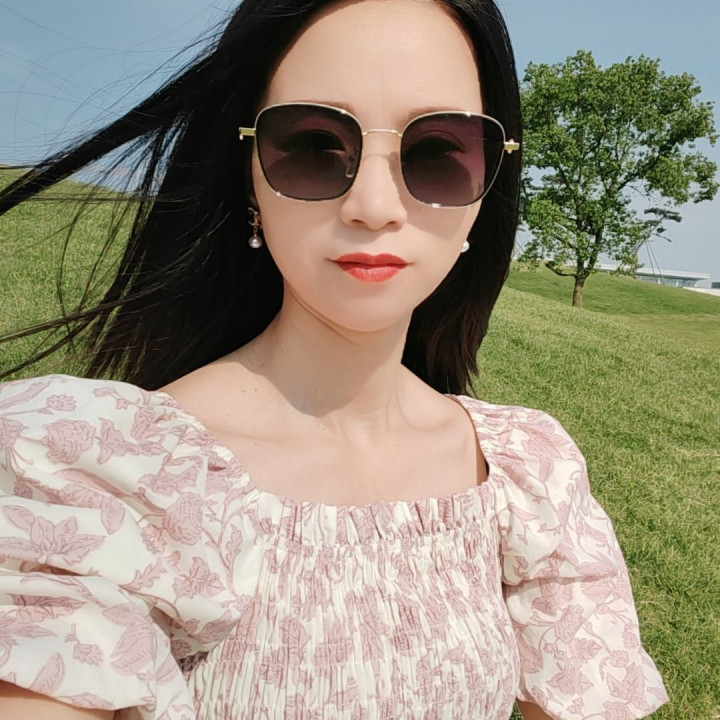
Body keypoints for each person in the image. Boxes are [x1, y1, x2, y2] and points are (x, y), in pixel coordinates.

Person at [0, 0, 668, 718]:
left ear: (489, 185)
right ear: (248, 173)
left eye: (436, 153)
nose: (374, 206)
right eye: (315, 146)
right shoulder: (108, 475)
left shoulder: (531, 475)